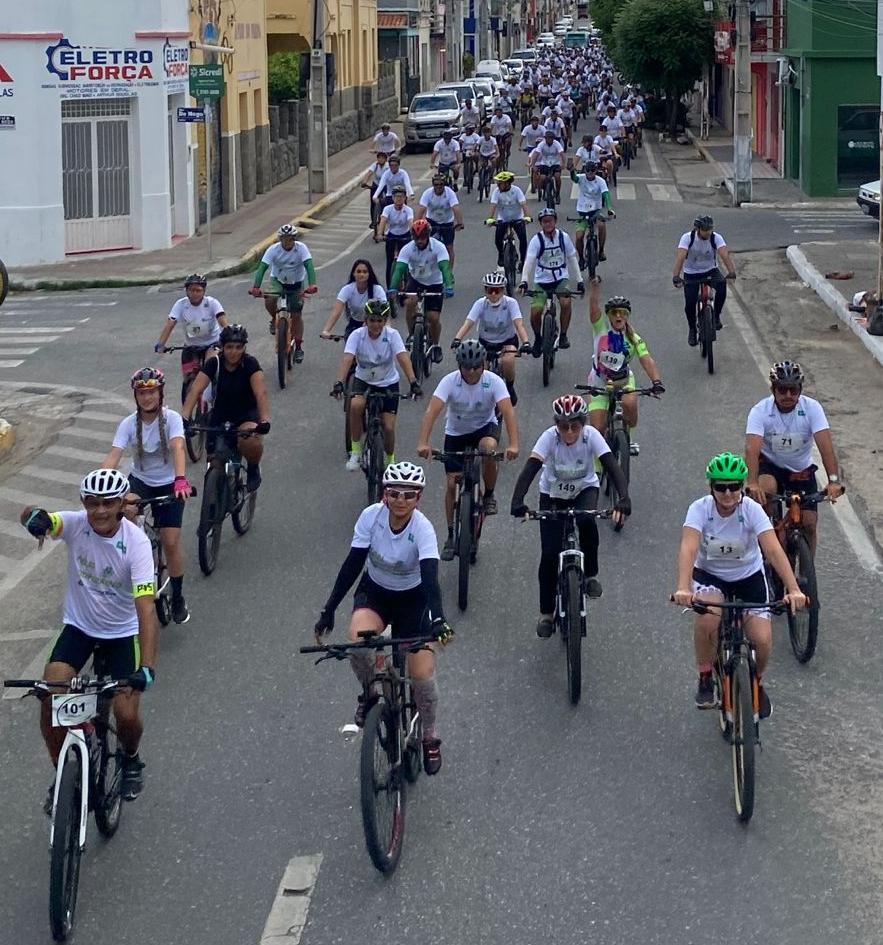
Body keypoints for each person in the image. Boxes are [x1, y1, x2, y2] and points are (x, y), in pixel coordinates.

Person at [20, 468, 157, 809]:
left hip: (121, 634)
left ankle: (131, 757)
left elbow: (146, 610)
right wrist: (32, 519)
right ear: (84, 502)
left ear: (122, 501)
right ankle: (63, 777)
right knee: (51, 695)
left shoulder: (137, 545)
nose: (99, 511)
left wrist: (147, 667)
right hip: (79, 628)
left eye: (108, 503)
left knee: (126, 714)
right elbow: (39, 517)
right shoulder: (75, 524)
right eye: (92, 503)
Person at [313, 462, 454, 775]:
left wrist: (439, 621)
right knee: (359, 644)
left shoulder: (423, 529)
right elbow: (352, 565)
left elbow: (431, 580)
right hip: (375, 594)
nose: (401, 500)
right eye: (394, 493)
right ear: (384, 495)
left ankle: (429, 733)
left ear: (418, 498)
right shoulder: (370, 518)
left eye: (409, 494)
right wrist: (329, 609)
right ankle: (370, 693)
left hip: (414, 601)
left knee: (421, 677)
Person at [671, 452, 807, 715]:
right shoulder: (699, 509)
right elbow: (688, 548)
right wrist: (683, 587)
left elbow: (774, 551)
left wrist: (794, 589)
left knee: (763, 639)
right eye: (721, 487)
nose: (728, 493)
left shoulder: (752, 510)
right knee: (709, 620)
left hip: (749, 577)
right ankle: (705, 677)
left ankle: (756, 680)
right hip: (711, 577)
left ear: (742, 487)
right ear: (711, 487)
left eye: (734, 487)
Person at [510, 394, 630, 637]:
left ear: (582, 423)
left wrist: (624, 499)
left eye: (574, 426)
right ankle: (546, 613)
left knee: (587, 520)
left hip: (584, 489)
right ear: (557, 426)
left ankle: (591, 575)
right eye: (563, 427)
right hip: (552, 494)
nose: (569, 432)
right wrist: (517, 500)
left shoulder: (591, 436)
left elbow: (611, 466)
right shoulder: (548, 438)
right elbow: (531, 468)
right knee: (549, 553)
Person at [104, 368, 193, 625]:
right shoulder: (128, 423)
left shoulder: (172, 419)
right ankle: (136, 566)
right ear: (136, 396)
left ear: (160, 392)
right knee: (126, 512)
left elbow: (177, 446)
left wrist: (180, 479)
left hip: (169, 484)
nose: (147, 398)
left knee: (171, 540)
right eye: (142, 393)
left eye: (151, 392)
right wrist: (97, 484)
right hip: (141, 482)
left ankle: (177, 595)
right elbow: (114, 455)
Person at [417, 340, 519, 557]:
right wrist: (423, 442)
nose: (471, 372)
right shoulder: (449, 382)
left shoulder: (493, 381)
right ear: (459, 365)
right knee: (452, 483)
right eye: (466, 367)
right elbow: (431, 411)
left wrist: (513, 444)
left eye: (476, 367)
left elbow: (508, 412)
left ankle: (489, 495)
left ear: (483, 365)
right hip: (456, 433)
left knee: (488, 448)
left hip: (484, 428)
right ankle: (451, 535)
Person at [744, 361, 845, 553]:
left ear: (800, 390)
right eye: (782, 390)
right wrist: (752, 483)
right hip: (770, 466)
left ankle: (808, 575)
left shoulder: (812, 408)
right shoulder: (760, 411)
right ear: (773, 390)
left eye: (793, 390)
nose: (788, 395)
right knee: (765, 490)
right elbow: (752, 449)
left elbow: (826, 448)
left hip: (800, 470)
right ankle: (765, 545)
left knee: (809, 524)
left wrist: (833, 481)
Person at [331, 299, 423, 471]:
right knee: (356, 406)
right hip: (363, 381)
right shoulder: (357, 335)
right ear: (366, 320)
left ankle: (390, 460)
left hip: (388, 382)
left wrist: (413, 381)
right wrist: (339, 382)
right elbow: (347, 359)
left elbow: (402, 357)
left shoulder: (392, 335)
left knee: (388, 427)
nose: (375, 324)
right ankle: (356, 452)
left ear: (384, 321)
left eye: (379, 320)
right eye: (372, 320)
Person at [181, 324, 270, 493]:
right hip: (220, 416)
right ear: (222, 347)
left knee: (250, 441)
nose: (234, 352)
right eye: (229, 347)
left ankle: (252, 468)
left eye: (238, 347)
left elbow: (261, 393)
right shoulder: (214, 363)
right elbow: (196, 390)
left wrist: (264, 420)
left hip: (246, 416)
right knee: (213, 465)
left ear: (244, 347)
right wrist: (185, 417)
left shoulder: (250, 364)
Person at [585, 283, 664, 461]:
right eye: (614, 313)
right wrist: (594, 290)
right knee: (597, 429)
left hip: (624, 379)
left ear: (627, 316)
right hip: (599, 381)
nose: (618, 316)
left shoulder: (633, 339)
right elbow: (593, 310)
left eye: (622, 312)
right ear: (609, 316)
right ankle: (597, 473)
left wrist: (656, 382)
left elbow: (646, 359)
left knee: (630, 404)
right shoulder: (601, 331)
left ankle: (628, 440)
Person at [450, 272, 531, 406]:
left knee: (508, 361)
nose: (493, 294)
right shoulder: (480, 303)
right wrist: (457, 339)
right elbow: (468, 323)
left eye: (497, 290)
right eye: (490, 290)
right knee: (481, 371)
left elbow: (519, 324)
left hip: (507, 341)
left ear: (503, 290)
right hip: (486, 342)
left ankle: (510, 388)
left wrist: (526, 342)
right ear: (485, 290)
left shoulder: (511, 303)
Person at [154, 274, 228, 404]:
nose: (195, 293)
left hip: (212, 344)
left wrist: (228, 335)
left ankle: (214, 396)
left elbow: (222, 320)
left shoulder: (211, 303)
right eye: (191, 290)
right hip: (191, 346)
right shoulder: (181, 305)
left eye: (198, 290)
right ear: (186, 291)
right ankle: (188, 412)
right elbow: (170, 324)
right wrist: (161, 344)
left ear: (203, 291)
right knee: (189, 379)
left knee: (211, 368)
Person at [388, 218, 454, 364]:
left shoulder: (438, 247)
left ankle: (435, 345)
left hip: (435, 283)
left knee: (433, 318)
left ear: (428, 236)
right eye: (417, 238)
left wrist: (449, 285)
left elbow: (444, 267)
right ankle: (412, 334)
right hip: (416, 281)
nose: (420, 241)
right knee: (410, 303)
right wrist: (393, 287)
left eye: (423, 238)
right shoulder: (407, 249)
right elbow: (399, 269)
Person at [248, 224, 318, 360]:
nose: (287, 242)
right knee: (269, 298)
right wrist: (256, 287)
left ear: (294, 239)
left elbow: (309, 266)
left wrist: (312, 284)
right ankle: (274, 319)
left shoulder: (301, 249)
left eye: (290, 239)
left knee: (296, 314)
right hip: (278, 281)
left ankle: (298, 347)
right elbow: (262, 268)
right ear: (280, 239)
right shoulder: (273, 250)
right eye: (284, 239)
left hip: (296, 283)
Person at [518, 207, 583, 354]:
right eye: (545, 221)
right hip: (542, 281)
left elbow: (572, 258)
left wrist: (579, 280)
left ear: (555, 221)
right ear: (541, 223)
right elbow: (529, 261)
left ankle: (564, 335)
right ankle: (538, 338)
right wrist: (524, 281)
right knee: (535, 311)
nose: (548, 224)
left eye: (551, 221)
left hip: (560, 278)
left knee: (566, 302)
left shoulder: (563, 237)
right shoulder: (537, 240)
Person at [672, 215, 736, 347]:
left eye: (710, 229)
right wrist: (676, 276)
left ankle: (716, 317)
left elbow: (724, 254)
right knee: (689, 304)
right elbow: (680, 257)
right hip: (691, 273)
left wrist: (731, 272)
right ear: (697, 229)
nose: (707, 232)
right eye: (705, 230)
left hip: (710, 271)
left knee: (722, 286)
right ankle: (692, 329)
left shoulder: (715, 237)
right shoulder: (687, 238)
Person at [321, 259, 388, 340]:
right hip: (354, 324)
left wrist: (387, 328)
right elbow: (336, 311)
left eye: (365, 272)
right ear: (354, 274)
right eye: (359, 271)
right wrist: (326, 330)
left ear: (369, 274)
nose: (361, 274)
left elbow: (385, 311)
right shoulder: (347, 289)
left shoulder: (377, 289)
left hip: (375, 324)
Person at [567, 159, 615, 267]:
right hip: (582, 211)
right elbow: (574, 178)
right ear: (585, 171)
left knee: (601, 225)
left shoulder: (600, 181)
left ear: (596, 170)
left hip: (596, 210)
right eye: (587, 170)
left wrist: (609, 209)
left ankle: (601, 250)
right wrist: (571, 170)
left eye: (592, 170)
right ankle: (581, 258)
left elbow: (606, 195)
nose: (590, 173)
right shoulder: (581, 178)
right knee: (579, 237)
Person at [416, 173, 465, 269]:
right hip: (432, 222)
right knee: (426, 245)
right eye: (436, 184)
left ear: (444, 184)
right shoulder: (427, 193)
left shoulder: (449, 193)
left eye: (441, 184)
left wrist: (460, 222)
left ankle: (449, 272)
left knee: (449, 247)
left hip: (447, 223)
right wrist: (415, 225)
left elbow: (455, 208)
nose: (438, 187)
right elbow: (421, 209)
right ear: (433, 185)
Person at [486, 170, 529, 269]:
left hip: (517, 218)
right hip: (503, 219)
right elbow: (493, 206)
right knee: (498, 239)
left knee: (523, 240)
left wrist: (527, 217)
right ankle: (501, 254)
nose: (498, 185)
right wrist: (490, 219)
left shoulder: (516, 190)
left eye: (500, 183)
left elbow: (524, 204)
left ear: (507, 183)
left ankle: (522, 261)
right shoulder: (496, 192)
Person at [374, 185, 414, 288]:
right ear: (392, 198)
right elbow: (383, 221)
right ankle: (389, 289)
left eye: (401, 196)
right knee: (390, 262)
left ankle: (409, 284)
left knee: (408, 261)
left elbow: (410, 223)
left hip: (405, 236)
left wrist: (413, 235)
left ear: (405, 198)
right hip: (391, 236)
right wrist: (380, 234)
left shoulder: (408, 210)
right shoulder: (388, 209)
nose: (399, 198)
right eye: (396, 196)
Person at [529, 129, 565, 201]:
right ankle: (543, 190)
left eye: (551, 138)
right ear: (545, 138)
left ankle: (557, 193)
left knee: (557, 177)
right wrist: (533, 165)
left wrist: (563, 164)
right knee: (542, 178)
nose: (549, 140)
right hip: (545, 164)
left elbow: (562, 154)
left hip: (555, 163)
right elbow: (536, 154)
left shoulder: (556, 144)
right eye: (547, 138)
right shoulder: (541, 144)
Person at [361, 152, 389, 227]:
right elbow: (369, 173)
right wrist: (364, 182)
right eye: (379, 158)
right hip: (376, 185)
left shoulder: (388, 166)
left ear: (385, 159)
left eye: (382, 158)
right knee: (373, 203)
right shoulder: (375, 165)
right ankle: (373, 221)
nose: (380, 159)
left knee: (385, 201)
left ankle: (384, 216)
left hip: (385, 185)